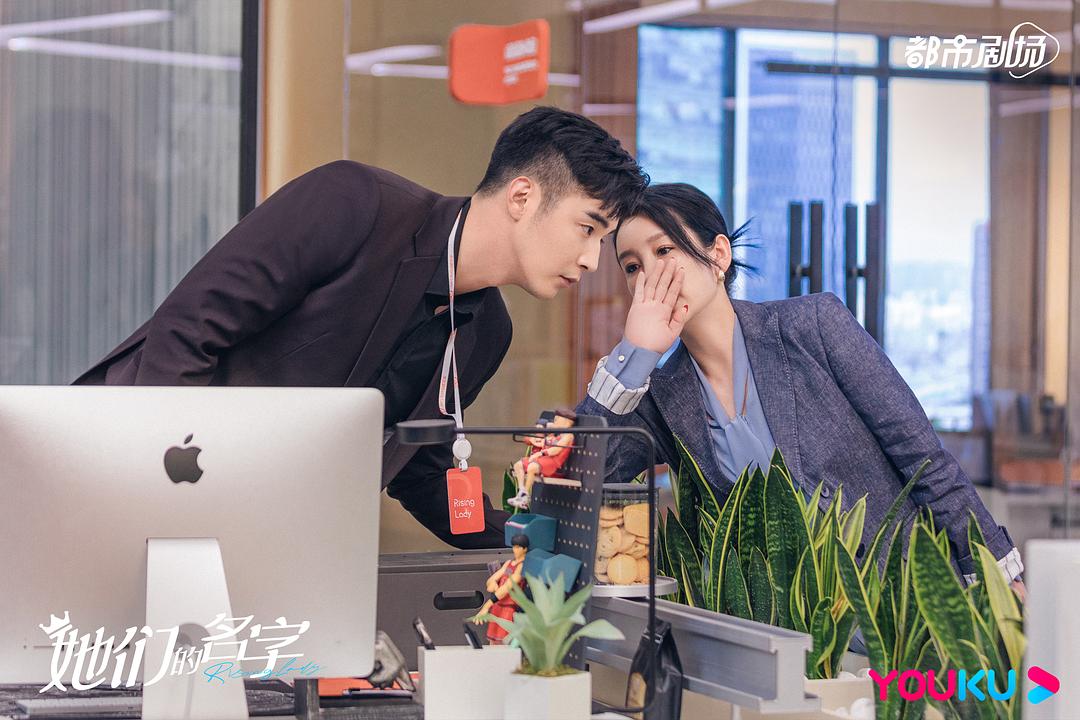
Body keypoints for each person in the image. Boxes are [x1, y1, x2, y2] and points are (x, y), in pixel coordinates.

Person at [74, 107, 648, 549]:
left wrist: (534, 539)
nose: (589, 261)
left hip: (247, 532)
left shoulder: (486, 333)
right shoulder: (356, 203)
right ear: (522, 196)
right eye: (587, 229)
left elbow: (423, 474)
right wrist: (174, 486)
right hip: (125, 471)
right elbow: (188, 328)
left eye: (602, 242)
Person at [576, 183, 1025, 594]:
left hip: (903, 605)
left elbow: (923, 458)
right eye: (632, 266)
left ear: (718, 256)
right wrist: (634, 353)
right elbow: (583, 478)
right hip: (789, 627)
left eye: (664, 250)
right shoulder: (660, 394)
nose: (649, 277)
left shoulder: (813, 325)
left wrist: (999, 574)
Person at [508, 408, 577, 509]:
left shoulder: (568, 436)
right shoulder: (555, 434)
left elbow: (555, 450)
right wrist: (533, 440)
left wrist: (540, 453)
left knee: (532, 467)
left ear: (566, 422)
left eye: (557, 419)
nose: (555, 421)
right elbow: (536, 437)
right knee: (518, 465)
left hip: (553, 462)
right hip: (544, 459)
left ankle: (526, 496)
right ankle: (521, 491)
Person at [472, 533, 530, 644]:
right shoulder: (509, 563)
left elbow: (507, 588)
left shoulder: (522, 566)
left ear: (525, 549)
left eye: (518, 547)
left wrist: (486, 606)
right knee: (492, 639)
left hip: (509, 608)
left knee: (504, 640)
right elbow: (492, 580)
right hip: (498, 605)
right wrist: (493, 583)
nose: (515, 550)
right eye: (514, 546)